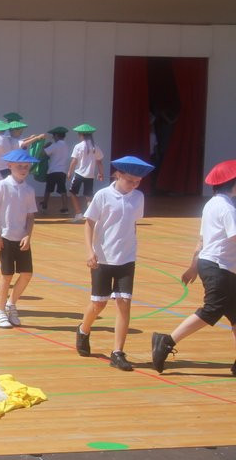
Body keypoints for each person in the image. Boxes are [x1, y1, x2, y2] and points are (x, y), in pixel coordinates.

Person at [151, 160, 236, 377]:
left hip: (216, 265)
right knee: (212, 309)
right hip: (219, 266)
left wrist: (193, 266)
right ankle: (166, 341)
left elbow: (202, 240)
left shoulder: (211, 205)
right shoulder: (227, 208)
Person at [75, 156, 154, 371]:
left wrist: (131, 246)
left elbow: (132, 224)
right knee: (99, 304)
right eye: (130, 180)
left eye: (137, 182)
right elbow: (89, 223)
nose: (134, 185)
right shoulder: (103, 195)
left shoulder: (138, 197)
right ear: (118, 175)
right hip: (103, 258)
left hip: (126, 258)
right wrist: (90, 251)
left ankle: (117, 352)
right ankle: (83, 329)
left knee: (124, 303)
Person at [0, 149, 39, 329]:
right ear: (10, 166)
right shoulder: (2, 185)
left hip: (21, 237)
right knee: (7, 274)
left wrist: (28, 235)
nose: (23, 169)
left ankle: (11, 304)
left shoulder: (29, 190)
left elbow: (30, 216)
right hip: (6, 236)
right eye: (19, 166)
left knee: (26, 274)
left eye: (26, 166)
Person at [67, 123, 104, 223]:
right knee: (88, 197)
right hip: (90, 175)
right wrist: (101, 173)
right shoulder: (95, 147)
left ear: (81, 135)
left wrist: (69, 172)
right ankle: (92, 216)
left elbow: (74, 161)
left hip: (79, 174)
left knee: (72, 193)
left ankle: (78, 213)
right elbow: (99, 161)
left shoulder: (78, 146)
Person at [41, 126, 71, 214]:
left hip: (53, 170)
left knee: (48, 189)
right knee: (63, 190)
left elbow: (43, 153)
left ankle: (44, 206)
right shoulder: (66, 145)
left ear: (57, 135)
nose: (53, 137)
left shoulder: (55, 145)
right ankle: (65, 208)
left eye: (53, 135)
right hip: (62, 171)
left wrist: (45, 146)